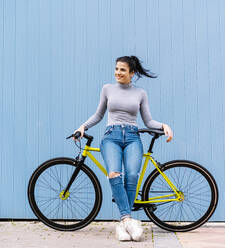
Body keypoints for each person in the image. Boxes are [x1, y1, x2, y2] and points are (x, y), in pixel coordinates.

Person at [73, 56, 173, 241]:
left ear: (132, 73)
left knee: (133, 175)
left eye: (123, 70)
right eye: (117, 69)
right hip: (111, 137)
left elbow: (148, 121)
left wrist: (164, 125)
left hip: (133, 137)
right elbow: (98, 115)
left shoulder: (140, 93)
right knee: (114, 173)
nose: (118, 73)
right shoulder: (107, 89)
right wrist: (83, 126)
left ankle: (123, 224)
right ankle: (128, 219)